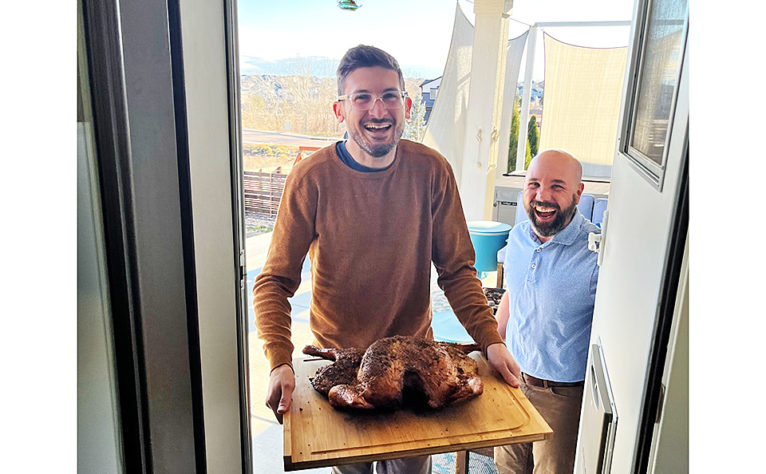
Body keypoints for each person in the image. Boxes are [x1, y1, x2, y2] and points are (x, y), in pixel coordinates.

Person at [253, 44, 521, 474]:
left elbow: (457, 271)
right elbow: (274, 282)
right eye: (361, 97)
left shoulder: (431, 170)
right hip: (339, 364)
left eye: (389, 95)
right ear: (340, 110)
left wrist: (491, 340)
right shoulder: (311, 178)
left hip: (417, 364)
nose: (377, 110)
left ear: (406, 105)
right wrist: (279, 361)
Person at [493, 149, 601, 474]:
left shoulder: (597, 254)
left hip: (562, 396)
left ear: (577, 193)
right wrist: (491, 344)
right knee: (507, 468)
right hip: (513, 380)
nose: (542, 196)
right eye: (534, 184)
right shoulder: (517, 237)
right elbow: (514, 294)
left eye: (557, 186)